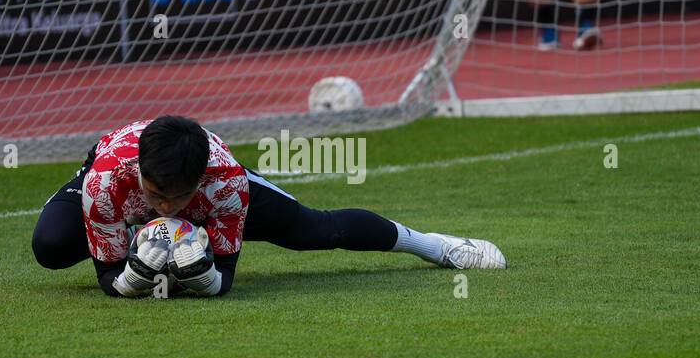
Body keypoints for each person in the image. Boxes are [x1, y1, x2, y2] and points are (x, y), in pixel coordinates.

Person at [32, 116, 506, 298]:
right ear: (142, 179)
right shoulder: (106, 181)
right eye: (156, 197)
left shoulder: (225, 182)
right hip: (114, 187)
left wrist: (204, 278)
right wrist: (135, 274)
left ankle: (436, 247)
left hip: (218, 192)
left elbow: (227, 279)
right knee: (50, 246)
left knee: (316, 231)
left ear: (198, 181)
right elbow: (108, 280)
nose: (166, 208)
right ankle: (144, 241)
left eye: (177, 199)